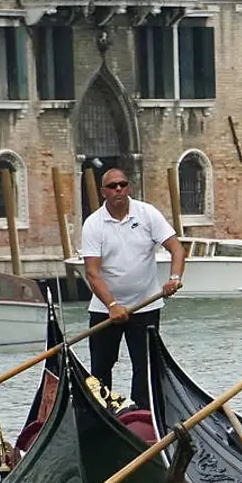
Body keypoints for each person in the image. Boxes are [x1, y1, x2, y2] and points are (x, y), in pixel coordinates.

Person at [79, 168, 186, 409]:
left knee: (145, 367)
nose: (119, 189)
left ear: (128, 187)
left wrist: (174, 277)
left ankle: (144, 417)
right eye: (113, 186)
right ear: (103, 192)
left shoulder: (147, 214)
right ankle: (104, 414)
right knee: (101, 369)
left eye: (123, 184)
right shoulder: (93, 224)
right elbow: (92, 273)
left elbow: (177, 249)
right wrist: (112, 305)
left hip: (146, 304)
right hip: (105, 309)